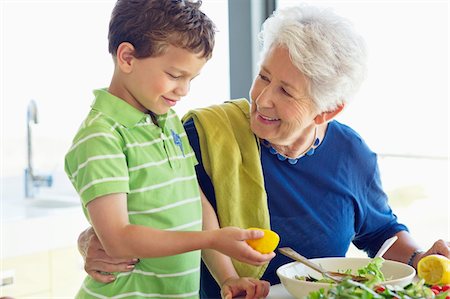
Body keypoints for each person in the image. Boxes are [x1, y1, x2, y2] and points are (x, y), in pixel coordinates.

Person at [76, 3, 450, 299]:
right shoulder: (204, 135)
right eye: (264, 76)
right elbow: (144, 210)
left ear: (327, 110)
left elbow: (382, 233)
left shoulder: (351, 153)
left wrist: (422, 258)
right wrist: (90, 241)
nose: (262, 100)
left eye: (287, 92)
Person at [64, 0, 275, 298]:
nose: (184, 90)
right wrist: (212, 239)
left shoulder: (168, 121)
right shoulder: (101, 137)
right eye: (175, 76)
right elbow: (118, 240)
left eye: (191, 79)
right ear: (127, 57)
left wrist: (227, 277)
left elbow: (196, 202)